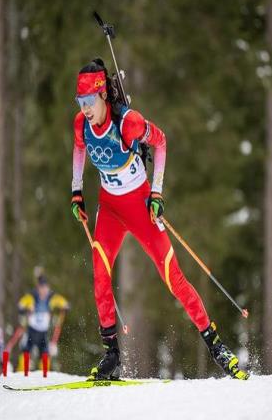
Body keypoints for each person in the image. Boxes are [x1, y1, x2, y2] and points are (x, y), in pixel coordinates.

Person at [70, 58, 248, 380]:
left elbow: (161, 141)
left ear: (103, 95)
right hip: (109, 209)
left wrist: (157, 192)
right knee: (100, 272)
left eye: (89, 101)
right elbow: (80, 148)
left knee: (172, 276)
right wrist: (76, 191)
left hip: (140, 206)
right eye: (80, 101)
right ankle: (111, 354)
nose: (85, 108)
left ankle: (216, 346)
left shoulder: (129, 123)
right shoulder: (81, 124)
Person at [17, 275, 69, 369]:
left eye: (45, 287)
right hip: (32, 331)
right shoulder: (32, 296)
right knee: (26, 351)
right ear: (38, 287)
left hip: (43, 332)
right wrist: (26, 308)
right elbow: (21, 304)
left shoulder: (51, 297)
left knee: (45, 353)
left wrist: (65, 305)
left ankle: (44, 374)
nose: (44, 290)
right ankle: (22, 372)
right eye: (42, 287)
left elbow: (61, 301)